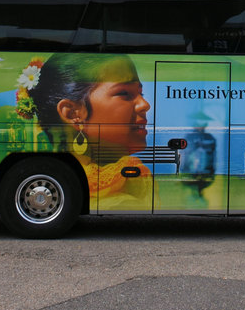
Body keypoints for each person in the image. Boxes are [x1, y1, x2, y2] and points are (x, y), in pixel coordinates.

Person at [25, 53, 153, 207]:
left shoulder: (137, 176)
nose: (145, 104)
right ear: (72, 113)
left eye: (141, 93)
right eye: (124, 93)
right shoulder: (126, 192)